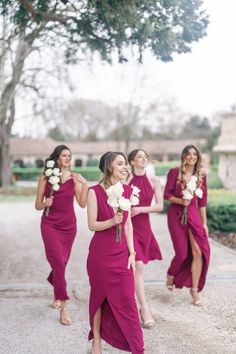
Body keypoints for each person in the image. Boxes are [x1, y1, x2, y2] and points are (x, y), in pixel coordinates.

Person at [87, 151, 145, 354]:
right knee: (99, 298)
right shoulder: (94, 191)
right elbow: (92, 225)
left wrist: (132, 252)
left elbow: (128, 224)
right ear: (109, 166)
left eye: (125, 164)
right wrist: (111, 222)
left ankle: (138, 348)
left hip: (122, 255)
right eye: (120, 164)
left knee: (128, 301)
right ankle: (96, 341)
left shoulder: (128, 190)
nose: (125, 167)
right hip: (100, 256)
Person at [35, 145, 88, 325]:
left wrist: (85, 183)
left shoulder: (74, 179)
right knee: (58, 261)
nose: (68, 158)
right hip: (49, 224)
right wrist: (46, 203)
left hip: (68, 227)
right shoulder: (45, 177)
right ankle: (64, 307)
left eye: (69, 156)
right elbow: (37, 205)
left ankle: (55, 284)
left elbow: (82, 204)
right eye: (64, 155)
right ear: (57, 158)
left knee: (61, 264)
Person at [164, 145, 210, 306]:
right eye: (188, 154)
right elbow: (167, 195)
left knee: (198, 252)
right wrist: (181, 201)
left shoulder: (201, 176)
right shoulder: (174, 172)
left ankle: (194, 290)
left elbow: (202, 202)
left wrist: (204, 223)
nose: (191, 157)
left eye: (194, 154)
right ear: (184, 156)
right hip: (176, 215)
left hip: (193, 216)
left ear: (197, 157)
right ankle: (171, 273)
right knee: (182, 253)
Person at [127, 149, 163, 328]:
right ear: (132, 161)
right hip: (128, 227)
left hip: (144, 227)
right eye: (139, 157)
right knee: (137, 266)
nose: (143, 159)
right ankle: (144, 307)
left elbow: (159, 206)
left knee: (137, 268)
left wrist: (141, 209)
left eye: (145, 157)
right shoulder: (125, 180)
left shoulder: (154, 180)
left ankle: (137, 304)